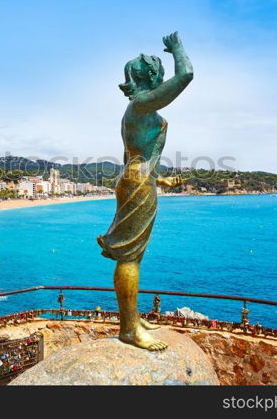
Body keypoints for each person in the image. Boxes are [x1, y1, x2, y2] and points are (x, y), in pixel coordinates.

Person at [97, 32, 193, 351]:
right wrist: (177, 49)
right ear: (152, 76)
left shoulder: (141, 110)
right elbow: (187, 75)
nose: (164, 76)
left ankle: (132, 319)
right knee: (130, 257)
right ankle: (128, 329)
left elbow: (134, 155)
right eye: (160, 72)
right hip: (137, 181)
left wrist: (158, 180)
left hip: (139, 179)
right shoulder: (141, 104)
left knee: (134, 256)